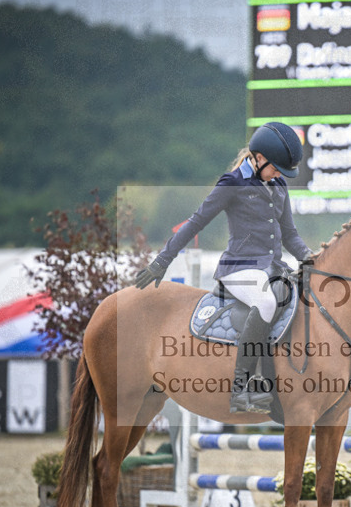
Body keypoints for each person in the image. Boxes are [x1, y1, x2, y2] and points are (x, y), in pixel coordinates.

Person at [134, 122, 314, 414]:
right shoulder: (232, 184)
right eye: (277, 168)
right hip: (239, 270)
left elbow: (290, 234)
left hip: (273, 270)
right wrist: (161, 261)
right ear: (258, 158)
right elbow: (196, 222)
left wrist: (310, 257)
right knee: (267, 302)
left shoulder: (278, 185)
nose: (280, 174)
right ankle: (240, 386)